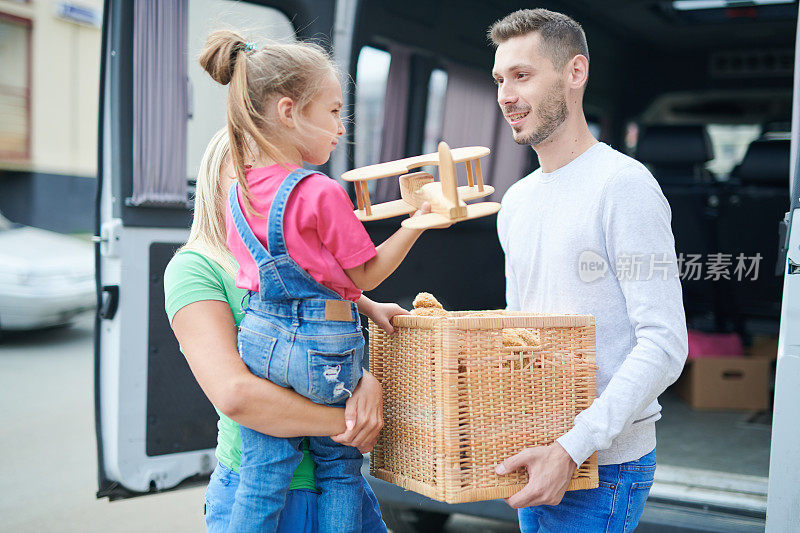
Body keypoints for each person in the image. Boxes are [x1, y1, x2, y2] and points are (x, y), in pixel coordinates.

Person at [198, 31, 431, 532]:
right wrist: (416, 223)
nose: (339, 127)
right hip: (323, 350)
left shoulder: (237, 193)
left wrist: (367, 306)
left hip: (260, 343)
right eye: (332, 112)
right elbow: (364, 272)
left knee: (263, 474)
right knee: (341, 469)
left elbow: (273, 281)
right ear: (288, 111)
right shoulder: (319, 192)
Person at [489, 9, 688, 532]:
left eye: (523, 75)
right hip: (536, 452)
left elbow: (665, 344)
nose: (507, 94)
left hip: (602, 467)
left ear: (575, 73)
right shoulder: (516, 200)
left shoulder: (623, 186)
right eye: (500, 80)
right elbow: (522, 336)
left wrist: (572, 447)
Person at [165, 128, 402, 532]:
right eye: (250, 173)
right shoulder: (194, 269)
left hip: (341, 491)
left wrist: (366, 381)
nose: (270, 187)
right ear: (215, 178)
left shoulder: (304, 258)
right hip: (264, 492)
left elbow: (330, 344)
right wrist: (350, 418)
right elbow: (237, 395)